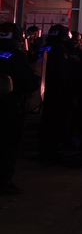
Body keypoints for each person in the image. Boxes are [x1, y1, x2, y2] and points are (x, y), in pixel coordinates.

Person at [1, 23, 40, 194]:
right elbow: (29, 84)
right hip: (10, 108)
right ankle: (4, 181)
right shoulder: (16, 57)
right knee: (8, 145)